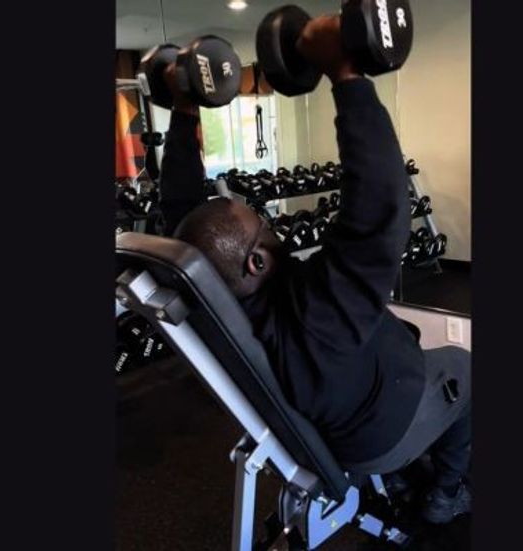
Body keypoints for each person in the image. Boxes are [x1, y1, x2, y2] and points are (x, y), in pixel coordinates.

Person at [156, 15, 471, 523]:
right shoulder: (312, 311)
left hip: (345, 405)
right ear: (256, 260)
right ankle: (447, 493)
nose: (272, 226)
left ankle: (410, 474)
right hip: (381, 431)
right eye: (263, 224)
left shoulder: (208, 297)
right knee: (466, 366)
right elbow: (379, 211)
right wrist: (346, 75)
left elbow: (183, 211)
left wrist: (184, 105)